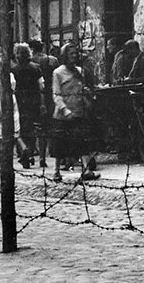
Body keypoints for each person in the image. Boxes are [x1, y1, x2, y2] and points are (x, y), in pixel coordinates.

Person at [51, 43, 97, 182]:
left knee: (81, 141)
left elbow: (82, 89)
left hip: (79, 111)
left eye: (76, 53)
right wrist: (65, 110)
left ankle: (86, 170)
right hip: (63, 115)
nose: (74, 56)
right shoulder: (58, 73)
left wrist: (87, 94)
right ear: (65, 56)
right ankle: (56, 171)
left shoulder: (80, 71)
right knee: (60, 144)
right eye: (71, 54)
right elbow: (56, 94)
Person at [11, 44, 44, 168]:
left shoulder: (14, 69)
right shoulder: (36, 68)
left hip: (19, 100)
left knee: (21, 128)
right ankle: (30, 152)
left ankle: (24, 153)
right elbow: (41, 86)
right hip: (34, 100)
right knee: (32, 129)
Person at [30, 39, 59, 168]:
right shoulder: (52, 60)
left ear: (32, 48)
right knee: (52, 124)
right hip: (51, 94)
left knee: (35, 127)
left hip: (35, 95)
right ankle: (53, 151)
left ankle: (35, 155)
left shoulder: (30, 62)